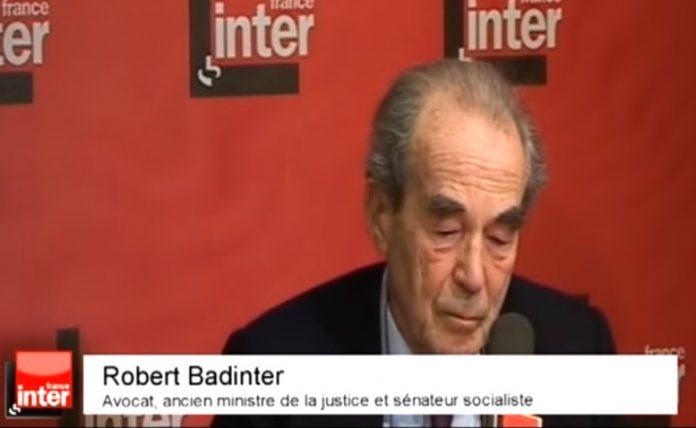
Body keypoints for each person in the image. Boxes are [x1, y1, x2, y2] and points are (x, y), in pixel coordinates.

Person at [211, 59, 619, 427]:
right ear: (382, 215)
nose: (474, 277)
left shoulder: (580, 353)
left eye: (500, 237)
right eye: (446, 232)